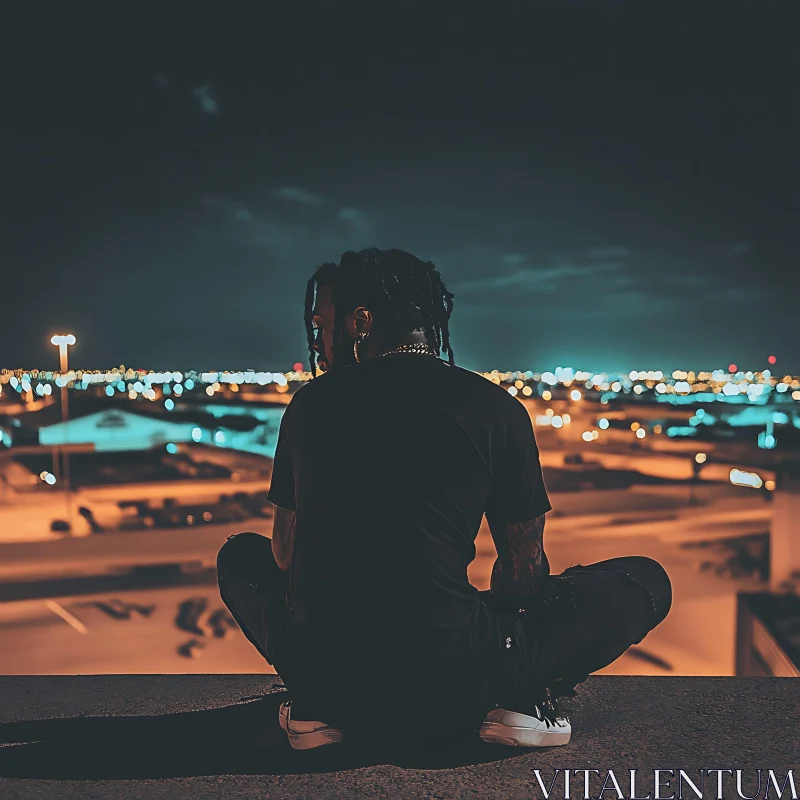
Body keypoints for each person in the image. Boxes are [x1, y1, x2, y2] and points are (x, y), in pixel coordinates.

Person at [217, 248, 672, 750]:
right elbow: (522, 571)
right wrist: (488, 627)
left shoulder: (309, 405)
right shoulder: (496, 408)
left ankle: (315, 713)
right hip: (455, 680)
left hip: (329, 675)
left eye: (324, 327)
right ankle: (520, 701)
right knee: (644, 580)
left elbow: (283, 555)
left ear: (361, 322)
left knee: (240, 554)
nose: (320, 345)